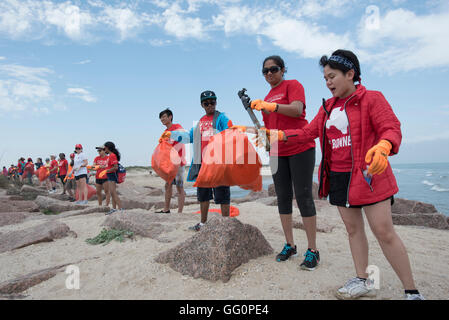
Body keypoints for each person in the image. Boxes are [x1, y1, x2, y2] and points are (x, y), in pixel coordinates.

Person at [263, 49, 424, 300]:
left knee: (383, 231)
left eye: (332, 76)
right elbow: (308, 133)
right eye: (325, 78)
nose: (328, 83)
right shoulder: (328, 107)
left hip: (370, 174)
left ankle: (412, 291)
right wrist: (280, 135)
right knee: (353, 231)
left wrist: (384, 147)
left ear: (350, 74)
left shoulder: (372, 98)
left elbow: (391, 128)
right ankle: (363, 279)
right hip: (338, 176)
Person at [232, 55, 319, 270]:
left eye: (274, 69)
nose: (269, 73)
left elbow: (297, 110)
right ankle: (290, 244)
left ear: (282, 70)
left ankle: (313, 250)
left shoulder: (293, 85)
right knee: (283, 197)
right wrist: (246, 129)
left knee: (304, 195)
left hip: (300, 146)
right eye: (265, 71)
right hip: (278, 152)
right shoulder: (268, 97)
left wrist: (270, 106)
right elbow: (267, 131)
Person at [160, 90, 232, 231]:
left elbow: (230, 133)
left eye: (212, 102)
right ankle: (203, 223)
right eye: (206, 103)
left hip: (218, 164)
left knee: (222, 194)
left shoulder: (222, 118)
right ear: (202, 105)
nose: (210, 105)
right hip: (202, 165)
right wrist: (171, 134)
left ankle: (226, 225)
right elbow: (189, 137)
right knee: (203, 195)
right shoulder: (200, 122)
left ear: (216, 102)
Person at [157, 108, 187, 214]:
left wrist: (170, 135)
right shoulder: (164, 132)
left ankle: (180, 212)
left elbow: (183, 135)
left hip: (179, 162)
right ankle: (166, 209)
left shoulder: (177, 127)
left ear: (170, 117)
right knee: (167, 185)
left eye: (164, 116)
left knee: (179, 187)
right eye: (161, 118)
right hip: (169, 164)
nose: (162, 119)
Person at [102, 141, 122, 214]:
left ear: (107, 148)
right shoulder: (110, 156)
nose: (104, 150)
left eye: (104, 148)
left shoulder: (112, 155)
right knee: (112, 192)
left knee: (113, 193)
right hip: (110, 175)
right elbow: (110, 166)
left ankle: (120, 209)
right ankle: (114, 209)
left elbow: (115, 167)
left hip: (112, 175)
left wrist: (106, 171)